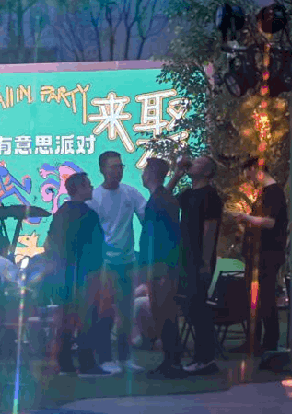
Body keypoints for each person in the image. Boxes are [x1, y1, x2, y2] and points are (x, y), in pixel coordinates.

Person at [86, 151, 147, 374]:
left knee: (126, 312)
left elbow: (147, 216)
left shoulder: (130, 193)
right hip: (105, 263)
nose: (118, 171)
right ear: (102, 169)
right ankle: (104, 358)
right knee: (105, 312)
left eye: (120, 166)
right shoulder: (94, 197)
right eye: (113, 166)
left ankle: (125, 357)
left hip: (128, 261)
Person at [45, 172, 110, 376]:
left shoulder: (61, 213)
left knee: (65, 319)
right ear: (80, 188)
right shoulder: (89, 215)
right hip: (85, 275)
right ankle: (87, 363)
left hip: (63, 276)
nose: (92, 188)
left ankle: (64, 362)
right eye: (88, 185)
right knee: (86, 318)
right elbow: (96, 249)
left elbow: (49, 244)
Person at [226, 157, 289, 355]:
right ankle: (255, 341)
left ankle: (269, 342)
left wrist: (245, 217)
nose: (249, 180)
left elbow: (270, 222)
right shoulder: (265, 193)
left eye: (249, 175)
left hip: (267, 255)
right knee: (256, 298)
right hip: (258, 254)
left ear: (255, 168)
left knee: (266, 298)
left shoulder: (274, 192)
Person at [171, 154, 224, 376]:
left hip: (199, 259)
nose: (194, 163)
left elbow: (209, 230)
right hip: (185, 257)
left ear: (208, 172)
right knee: (191, 307)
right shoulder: (187, 194)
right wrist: (177, 173)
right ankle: (202, 357)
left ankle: (205, 359)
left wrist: (205, 261)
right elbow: (165, 201)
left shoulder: (210, 196)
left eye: (199, 162)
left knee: (199, 307)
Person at [138, 157, 186, 378]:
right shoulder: (161, 197)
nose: (143, 174)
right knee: (161, 314)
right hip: (159, 266)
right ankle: (170, 361)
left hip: (162, 267)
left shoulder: (161, 200)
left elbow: (168, 237)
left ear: (151, 174)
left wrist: (165, 269)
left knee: (165, 314)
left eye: (145, 170)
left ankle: (172, 362)